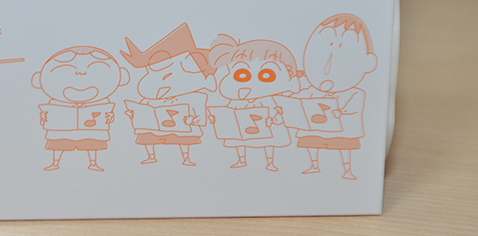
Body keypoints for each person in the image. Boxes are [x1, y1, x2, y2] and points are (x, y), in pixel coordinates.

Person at [295, 14, 378, 179]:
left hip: (342, 127)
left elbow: (355, 107)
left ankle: (347, 170)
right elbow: (300, 98)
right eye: (328, 43)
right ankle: (314, 165)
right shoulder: (311, 90)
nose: (333, 50)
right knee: (312, 141)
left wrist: (342, 112)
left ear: (368, 63)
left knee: (343, 146)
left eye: (341, 45)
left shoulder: (355, 92)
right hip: (316, 126)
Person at [121, 23, 217, 166]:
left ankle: (186, 158)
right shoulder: (151, 100)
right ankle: (151, 156)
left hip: (184, 129)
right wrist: (134, 114)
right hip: (155, 129)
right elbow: (144, 112)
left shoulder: (196, 97)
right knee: (147, 136)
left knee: (184, 139)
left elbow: (200, 117)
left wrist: (192, 120)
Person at [208, 36, 300, 171]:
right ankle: (241, 160)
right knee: (239, 140)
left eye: (267, 75)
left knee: (269, 142)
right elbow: (228, 115)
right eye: (241, 74)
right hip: (243, 131)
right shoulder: (236, 102)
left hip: (267, 129)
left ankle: (270, 162)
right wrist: (216, 119)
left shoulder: (269, 101)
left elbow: (279, 115)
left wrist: (273, 120)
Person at [32, 46, 130, 172]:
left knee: (92, 144)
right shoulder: (54, 103)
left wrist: (109, 118)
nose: (80, 74)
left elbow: (107, 116)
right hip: (62, 131)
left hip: (91, 131)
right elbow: (47, 117)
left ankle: (93, 163)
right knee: (58, 144)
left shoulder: (103, 103)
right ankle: (55, 163)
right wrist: (44, 119)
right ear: (38, 79)